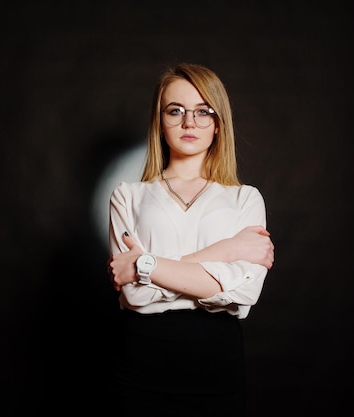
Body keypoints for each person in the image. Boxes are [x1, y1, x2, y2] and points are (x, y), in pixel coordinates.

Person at [106, 63, 275, 417]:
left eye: (203, 112)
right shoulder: (128, 196)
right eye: (176, 111)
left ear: (218, 124)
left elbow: (244, 293)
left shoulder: (245, 199)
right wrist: (225, 252)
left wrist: (144, 264)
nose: (189, 122)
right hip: (140, 363)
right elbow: (134, 294)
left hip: (217, 366)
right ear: (159, 120)